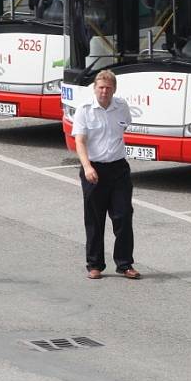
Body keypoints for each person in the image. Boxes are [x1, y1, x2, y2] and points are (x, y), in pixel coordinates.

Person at [72, 69, 141, 280]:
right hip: (94, 170)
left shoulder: (121, 107)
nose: (104, 91)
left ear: (114, 90)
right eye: (100, 87)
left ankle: (125, 264)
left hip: (118, 168)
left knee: (123, 216)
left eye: (108, 88)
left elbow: (124, 127)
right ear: (95, 88)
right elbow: (80, 141)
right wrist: (87, 167)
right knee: (94, 219)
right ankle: (95, 265)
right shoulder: (84, 110)